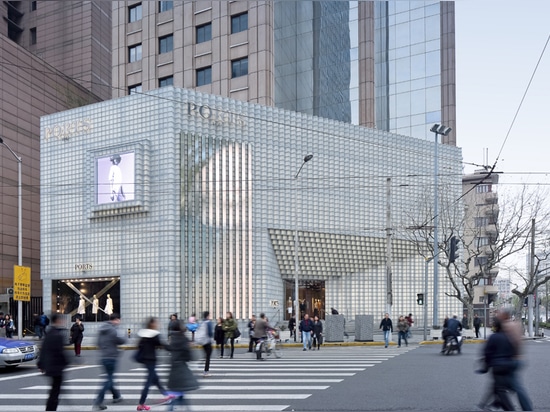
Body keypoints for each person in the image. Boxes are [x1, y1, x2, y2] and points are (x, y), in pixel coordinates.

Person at [497, 308, 533, 411]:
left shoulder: (506, 326)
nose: (498, 316)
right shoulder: (516, 324)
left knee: (515, 386)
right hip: (518, 358)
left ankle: (527, 408)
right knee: (507, 384)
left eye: (500, 314)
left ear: (505, 316)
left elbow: (505, 342)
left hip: (511, 359)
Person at [136, 317, 174, 411]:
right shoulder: (154, 334)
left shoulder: (143, 334)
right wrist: (175, 349)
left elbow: (139, 346)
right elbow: (163, 345)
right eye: (156, 323)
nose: (158, 324)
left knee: (155, 379)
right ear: (152, 324)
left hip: (145, 360)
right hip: (151, 360)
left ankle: (166, 394)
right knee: (148, 382)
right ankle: (141, 404)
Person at [479, 317, 516, 411]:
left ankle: (509, 409)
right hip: (508, 365)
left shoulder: (493, 337)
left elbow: (487, 353)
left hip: (497, 366)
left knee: (500, 389)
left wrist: (486, 366)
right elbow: (513, 351)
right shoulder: (508, 336)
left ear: (495, 327)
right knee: (496, 386)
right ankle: (487, 405)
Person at [92, 313, 127, 411]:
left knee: (109, 377)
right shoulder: (113, 330)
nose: (119, 322)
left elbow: (97, 343)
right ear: (115, 319)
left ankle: (116, 396)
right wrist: (124, 334)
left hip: (103, 356)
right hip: (111, 357)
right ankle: (98, 401)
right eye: (119, 320)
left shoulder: (102, 328)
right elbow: (121, 341)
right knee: (109, 380)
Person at [164, 320, 199, 411]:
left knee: (178, 393)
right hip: (181, 369)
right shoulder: (183, 338)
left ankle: (172, 407)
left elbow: (170, 349)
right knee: (180, 393)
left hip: (173, 369)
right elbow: (189, 356)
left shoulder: (173, 338)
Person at [37, 314, 69, 411]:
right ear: (58, 321)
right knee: (55, 391)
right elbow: (60, 352)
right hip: (56, 368)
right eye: (61, 320)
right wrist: (66, 362)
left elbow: (44, 349)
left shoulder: (49, 333)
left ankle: (50, 408)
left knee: (54, 390)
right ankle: (51, 409)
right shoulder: (57, 335)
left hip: (50, 367)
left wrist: (40, 364)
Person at [198, 311, 213, 377]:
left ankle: (204, 360)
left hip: (202, 341)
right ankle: (206, 372)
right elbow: (210, 333)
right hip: (207, 341)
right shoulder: (208, 323)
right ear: (208, 316)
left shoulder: (202, 322)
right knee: (208, 357)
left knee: (207, 355)